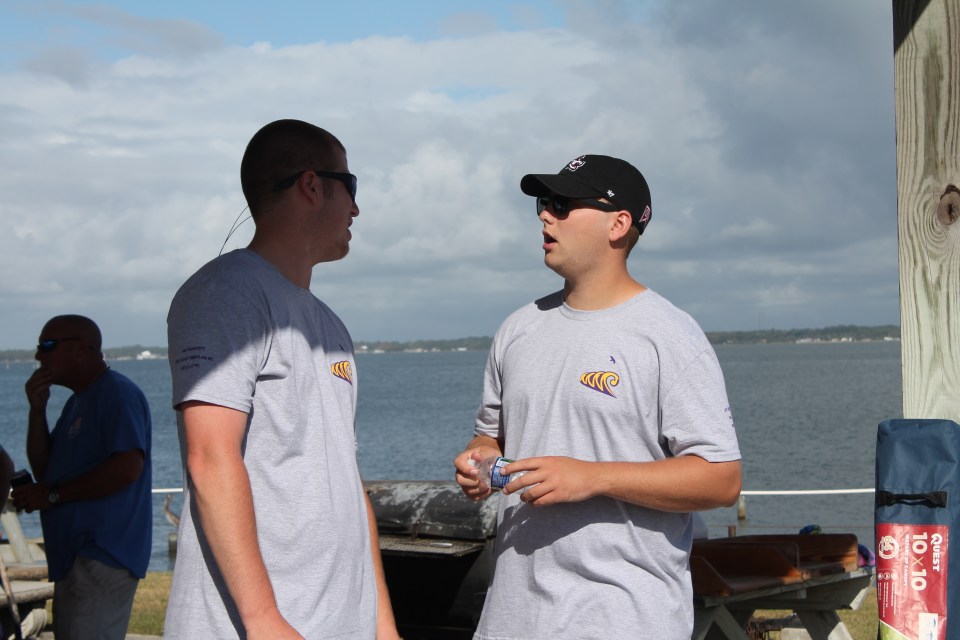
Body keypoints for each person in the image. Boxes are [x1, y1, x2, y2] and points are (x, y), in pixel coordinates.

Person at [454, 155, 742, 639]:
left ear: (618, 224)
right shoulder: (517, 329)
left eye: (562, 205)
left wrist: (593, 477)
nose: (546, 217)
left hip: (623, 619)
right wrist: (479, 462)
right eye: (544, 204)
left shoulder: (669, 335)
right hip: (510, 619)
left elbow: (721, 479)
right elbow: (489, 439)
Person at [164, 119, 399, 639]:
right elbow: (210, 457)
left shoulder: (329, 325)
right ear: (311, 185)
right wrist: (264, 620)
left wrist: (382, 623)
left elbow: (345, 477)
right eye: (351, 186)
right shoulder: (225, 294)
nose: (356, 209)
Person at [12, 314, 152, 640]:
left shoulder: (117, 394)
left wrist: (53, 494)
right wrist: (36, 410)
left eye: (47, 345)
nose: (38, 355)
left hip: (102, 555)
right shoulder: (78, 402)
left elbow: (128, 467)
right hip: (76, 556)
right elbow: (46, 471)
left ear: (81, 349)